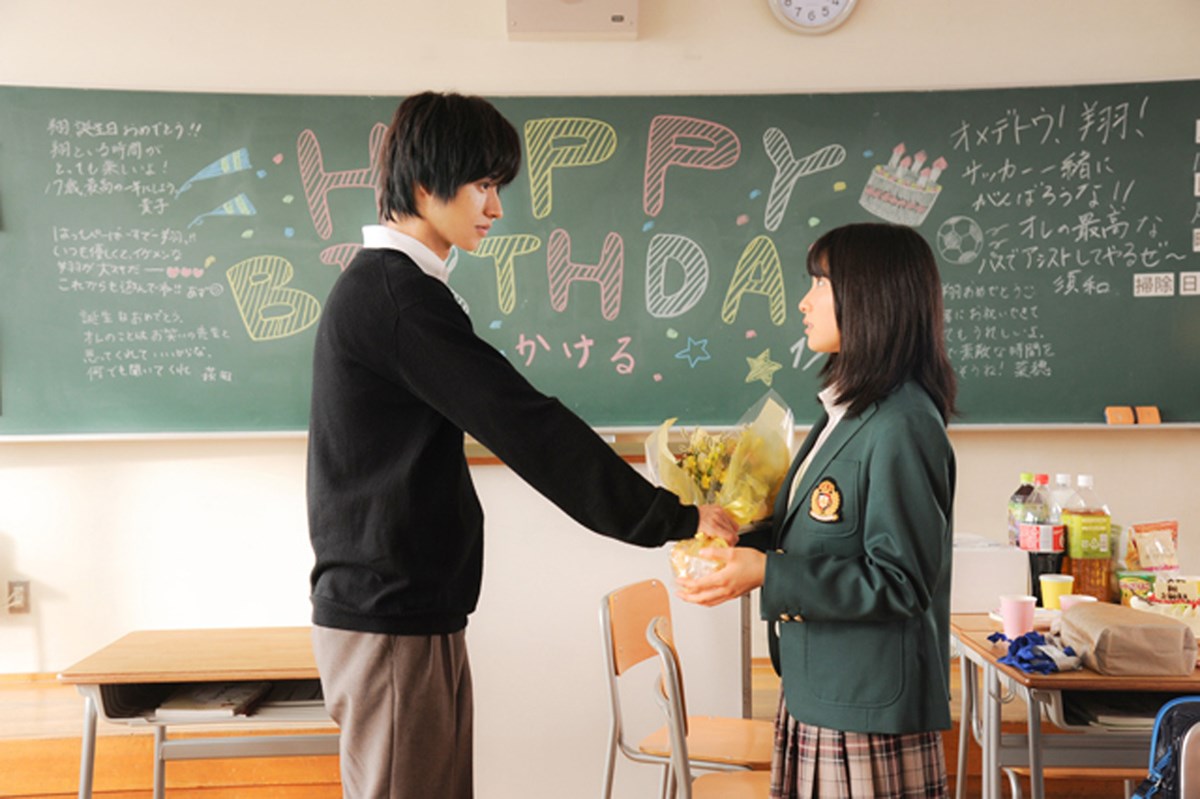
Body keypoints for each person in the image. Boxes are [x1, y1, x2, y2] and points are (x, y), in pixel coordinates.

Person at [305, 90, 737, 799]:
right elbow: (527, 425)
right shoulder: (397, 299)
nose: (496, 208)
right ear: (425, 185)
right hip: (389, 619)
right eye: (483, 185)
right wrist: (674, 517)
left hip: (410, 611)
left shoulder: (402, 291)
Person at [677, 222, 958, 799]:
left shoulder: (903, 424)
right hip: (822, 692)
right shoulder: (850, 412)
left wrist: (767, 573)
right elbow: (818, 538)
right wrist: (738, 543)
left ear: (869, 296)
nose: (804, 302)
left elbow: (901, 582)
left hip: (864, 708)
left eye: (820, 284)